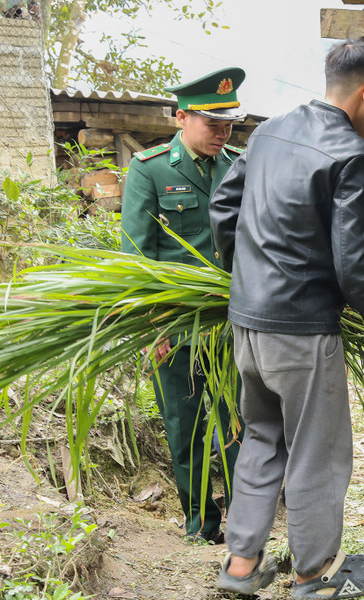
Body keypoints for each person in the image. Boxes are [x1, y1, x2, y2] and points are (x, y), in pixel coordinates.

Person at [208, 37, 364, 599]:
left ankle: (242, 566)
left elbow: (223, 208)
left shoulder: (269, 130)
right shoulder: (351, 154)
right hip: (302, 332)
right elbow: (355, 264)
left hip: (246, 323)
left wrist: (249, 276)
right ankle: (314, 575)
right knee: (317, 453)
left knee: (261, 438)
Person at [120, 67, 247, 544]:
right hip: (175, 328)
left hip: (234, 324)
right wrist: (155, 327)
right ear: (181, 118)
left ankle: (244, 522)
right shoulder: (149, 168)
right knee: (185, 427)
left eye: (228, 124)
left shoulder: (238, 164)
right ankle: (200, 523)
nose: (222, 133)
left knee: (240, 425)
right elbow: (138, 256)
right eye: (211, 123)